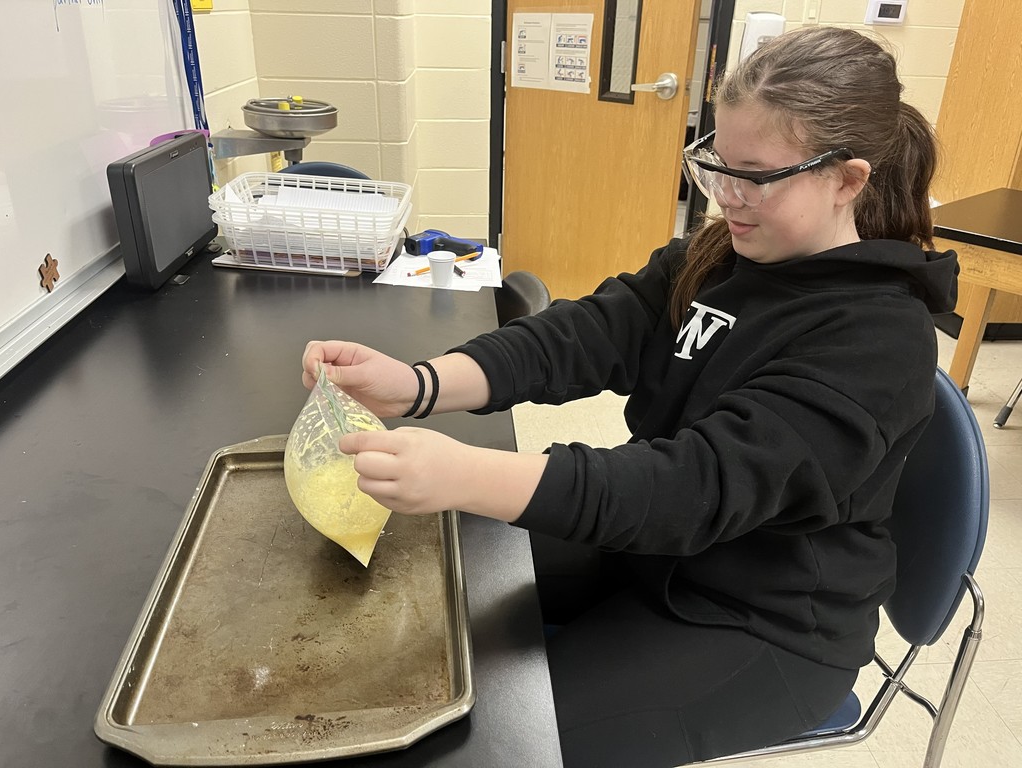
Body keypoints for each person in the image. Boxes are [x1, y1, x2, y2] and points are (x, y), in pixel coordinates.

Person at [301, 26, 958, 768]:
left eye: (758, 178)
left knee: (484, 745)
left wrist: (463, 474)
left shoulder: (878, 337)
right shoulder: (723, 255)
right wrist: (418, 384)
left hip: (760, 623)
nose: (729, 199)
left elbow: (692, 486)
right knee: (416, 584)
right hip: (649, 553)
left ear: (847, 178)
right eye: (718, 168)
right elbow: (584, 336)